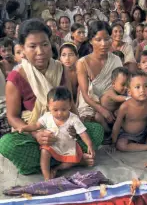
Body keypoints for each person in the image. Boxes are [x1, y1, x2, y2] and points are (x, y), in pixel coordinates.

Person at [0, 19, 103, 175]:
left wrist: (77, 125)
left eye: (45, 44)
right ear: (22, 49)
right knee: (6, 144)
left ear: (51, 43)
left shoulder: (61, 69)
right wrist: (36, 135)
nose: (40, 51)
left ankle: (49, 164)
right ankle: (72, 159)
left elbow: (70, 104)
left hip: (64, 131)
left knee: (96, 131)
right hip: (36, 134)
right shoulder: (15, 78)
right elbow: (12, 117)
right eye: (32, 46)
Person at [17, 87, 95, 180]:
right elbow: (36, 126)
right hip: (52, 145)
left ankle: (57, 168)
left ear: (70, 105)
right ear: (48, 106)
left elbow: (83, 133)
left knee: (73, 161)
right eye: (55, 110)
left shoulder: (73, 119)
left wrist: (89, 145)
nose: (60, 113)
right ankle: (47, 177)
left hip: (68, 146)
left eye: (64, 109)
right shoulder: (47, 117)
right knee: (44, 152)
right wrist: (25, 127)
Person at [77, 20, 122, 121]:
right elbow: (85, 94)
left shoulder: (116, 59)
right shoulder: (82, 63)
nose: (103, 44)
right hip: (91, 105)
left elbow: (121, 87)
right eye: (98, 40)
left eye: (107, 39)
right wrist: (102, 110)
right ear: (90, 41)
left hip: (112, 102)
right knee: (94, 120)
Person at [112, 70, 147, 152]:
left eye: (146, 86)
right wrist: (113, 142)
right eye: (137, 87)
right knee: (121, 145)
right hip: (129, 135)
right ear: (129, 92)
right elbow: (117, 125)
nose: (142, 90)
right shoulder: (125, 107)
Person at [98, 67, 129, 134]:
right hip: (104, 117)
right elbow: (116, 98)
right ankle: (107, 132)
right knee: (98, 116)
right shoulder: (110, 92)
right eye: (123, 85)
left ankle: (120, 130)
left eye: (127, 84)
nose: (126, 87)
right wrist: (128, 98)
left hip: (114, 118)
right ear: (113, 84)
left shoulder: (123, 92)